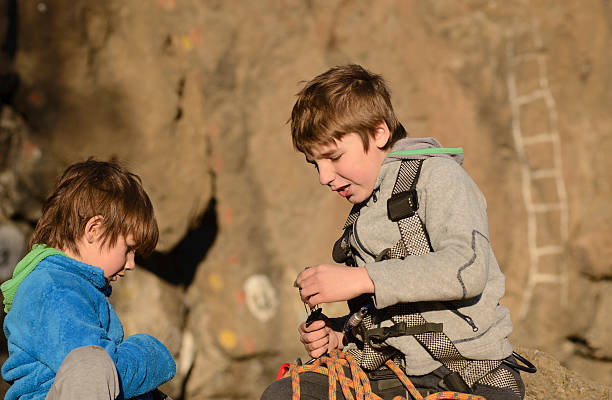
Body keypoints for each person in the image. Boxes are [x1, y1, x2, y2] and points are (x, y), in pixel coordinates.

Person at [261, 64, 528, 400]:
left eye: (334, 157)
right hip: (387, 373)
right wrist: (340, 333)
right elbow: (393, 312)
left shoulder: (439, 177)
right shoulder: (363, 212)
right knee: (285, 395)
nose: (324, 177)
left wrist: (361, 278)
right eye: (316, 163)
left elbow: (467, 268)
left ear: (379, 133)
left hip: (464, 373)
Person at [1, 159, 176, 400]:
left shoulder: (71, 287)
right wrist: (151, 354)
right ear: (94, 229)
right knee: (91, 363)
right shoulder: (52, 289)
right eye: (128, 249)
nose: (131, 264)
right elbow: (98, 373)